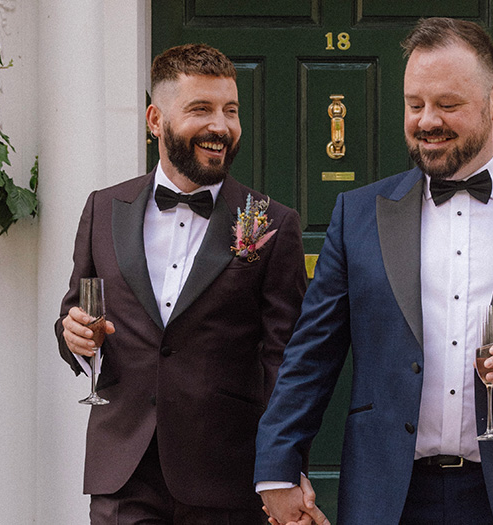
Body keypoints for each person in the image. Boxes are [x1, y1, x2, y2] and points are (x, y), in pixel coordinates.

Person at [255, 17, 493, 525]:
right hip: (388, 495)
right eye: (415, 104)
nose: (427, 120)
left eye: (448, 105)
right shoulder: (359, 214)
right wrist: (278, 468)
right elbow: (311, 353)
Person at [56, 43, 312, 524]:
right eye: (201, 109)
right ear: (156, 119)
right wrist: (72, 336)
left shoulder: (271, 223)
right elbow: (76, 313)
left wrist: (284, 467)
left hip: (225, 476)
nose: (221, 126)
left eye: (230, 111)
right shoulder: (102, 209)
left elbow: (287, 360)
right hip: (123, 472)